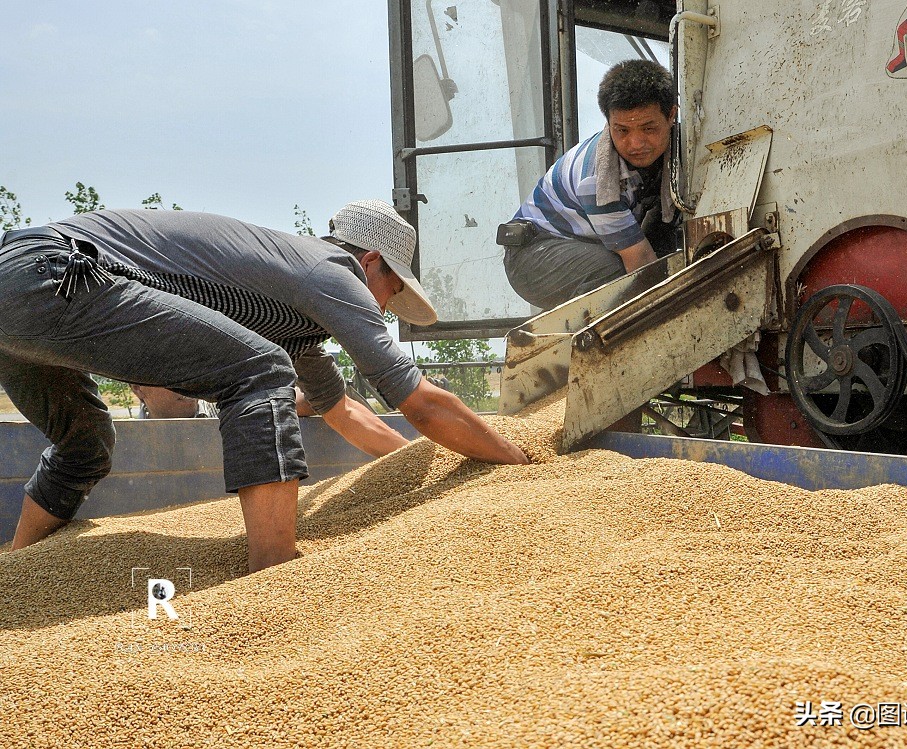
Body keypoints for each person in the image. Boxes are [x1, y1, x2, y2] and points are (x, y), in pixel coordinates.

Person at [0, 200, 528, 572]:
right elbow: (419, 402)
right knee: (260, 371)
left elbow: (340, 410)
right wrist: (520, 461)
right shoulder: (333, 273)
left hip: (18, 286)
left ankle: (20, 567)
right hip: (58, 272)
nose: (385, 307)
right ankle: (274, 565)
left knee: (84, 443)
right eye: (391, 289)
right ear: (370, 263)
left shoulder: (287, 300)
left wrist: (416, 466)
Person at [500, 59, 679, 310]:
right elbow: (641, 262)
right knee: (627, 277)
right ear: (608, 122)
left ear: (672, 115)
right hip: (533, 258)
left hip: (584, 246)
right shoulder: (597, 180)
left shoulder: (682, 150)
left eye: (648, 128)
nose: (636, 143)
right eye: (623, 131)